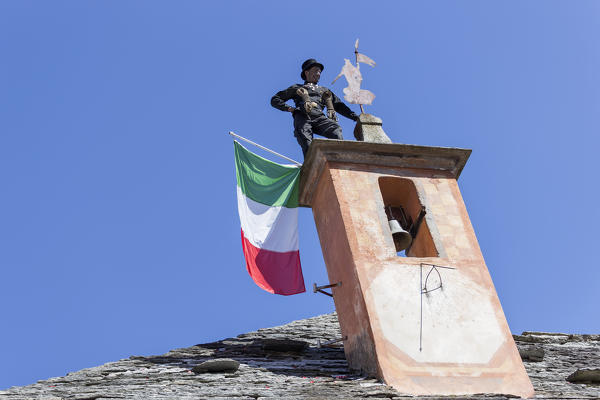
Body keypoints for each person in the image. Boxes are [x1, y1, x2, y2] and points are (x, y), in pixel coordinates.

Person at [271, 59, 359, 156]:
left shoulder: (324, 91)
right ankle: (311, 165)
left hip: (319, 117)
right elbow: (275, 99)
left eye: (320, 72)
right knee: (307, 143)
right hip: (303, 116)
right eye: (316, 71)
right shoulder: (297, 88)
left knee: (335, 130)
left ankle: (340, 157)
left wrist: (355, 117)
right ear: (307, 72)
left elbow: (339, 105)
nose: (318, 74)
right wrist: (289, 108)